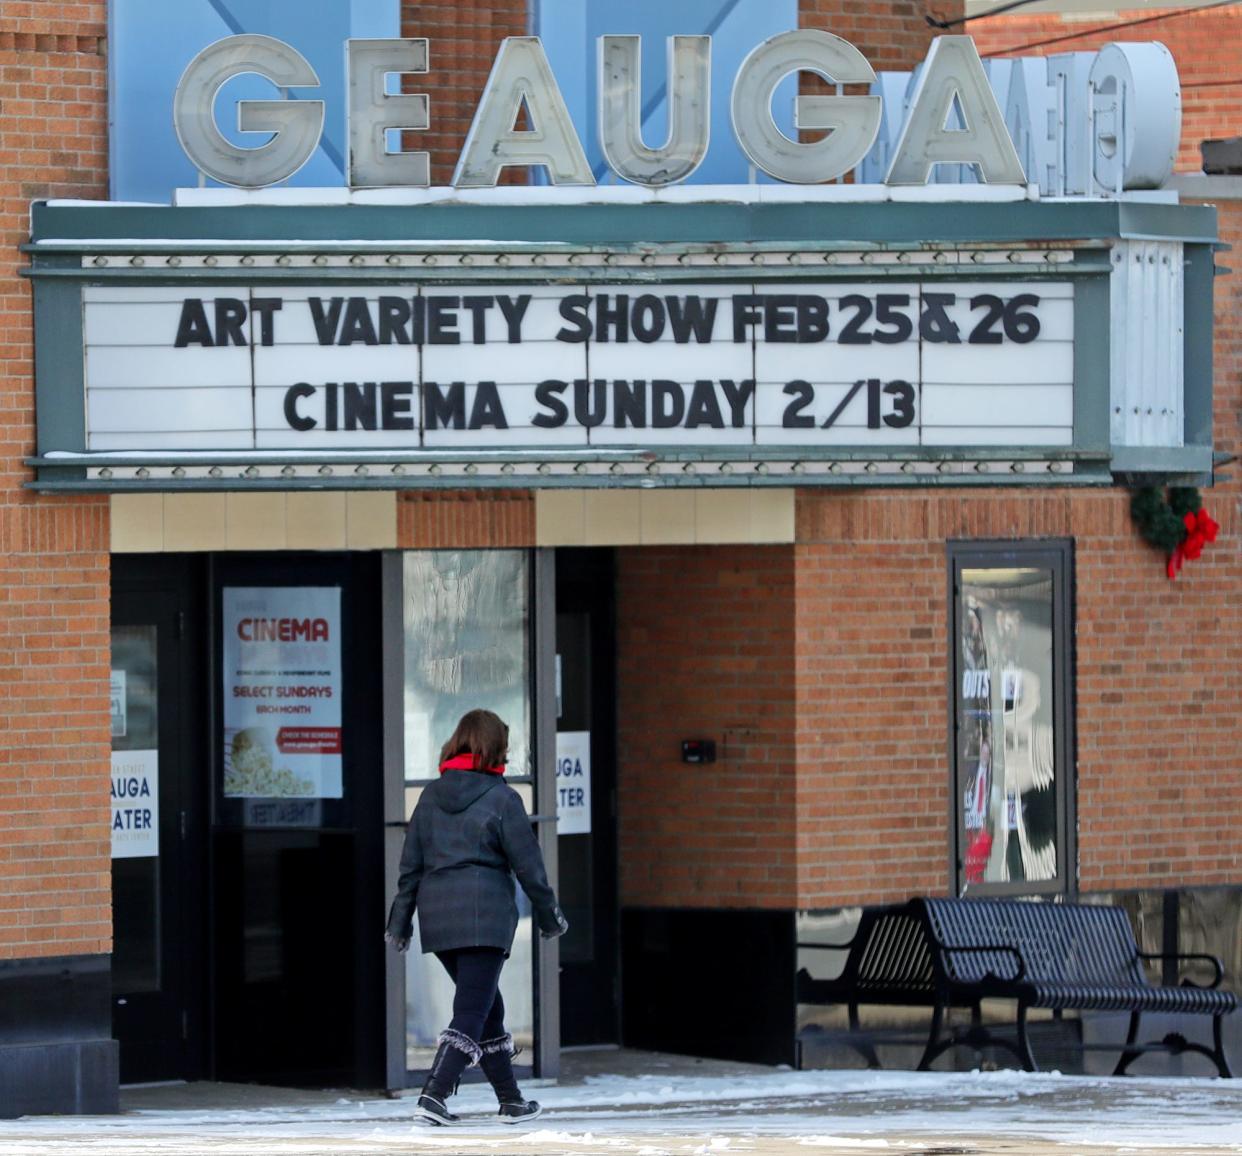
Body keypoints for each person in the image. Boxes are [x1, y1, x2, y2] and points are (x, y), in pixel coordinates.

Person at [385, 708, 568, 1127]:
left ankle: (512, 1100)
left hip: (438, 918)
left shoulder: (430, 795)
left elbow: (410, 867)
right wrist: (549, 914)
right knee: (471, 1009)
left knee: (487, 1009)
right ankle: (433, 1094)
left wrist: (400, 922)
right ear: (496, 749)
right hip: (484, 917)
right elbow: (529, 867)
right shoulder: (503, 798)